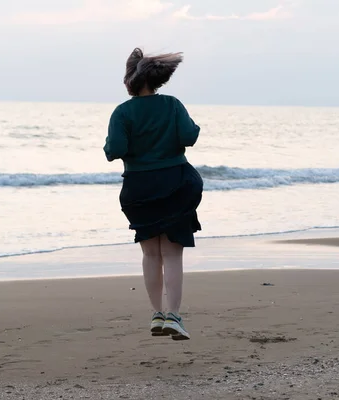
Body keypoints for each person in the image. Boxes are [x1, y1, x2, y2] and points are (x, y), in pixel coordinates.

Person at [103, 48, 203, 341]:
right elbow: (189, 137)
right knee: (172, 254)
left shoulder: (122, 112)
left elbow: (115, 151)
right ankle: (174, 316)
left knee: (150, 254)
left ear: (129, 79)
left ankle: (157, 314)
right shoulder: (172, 105)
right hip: (175, 182)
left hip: (139, 187)